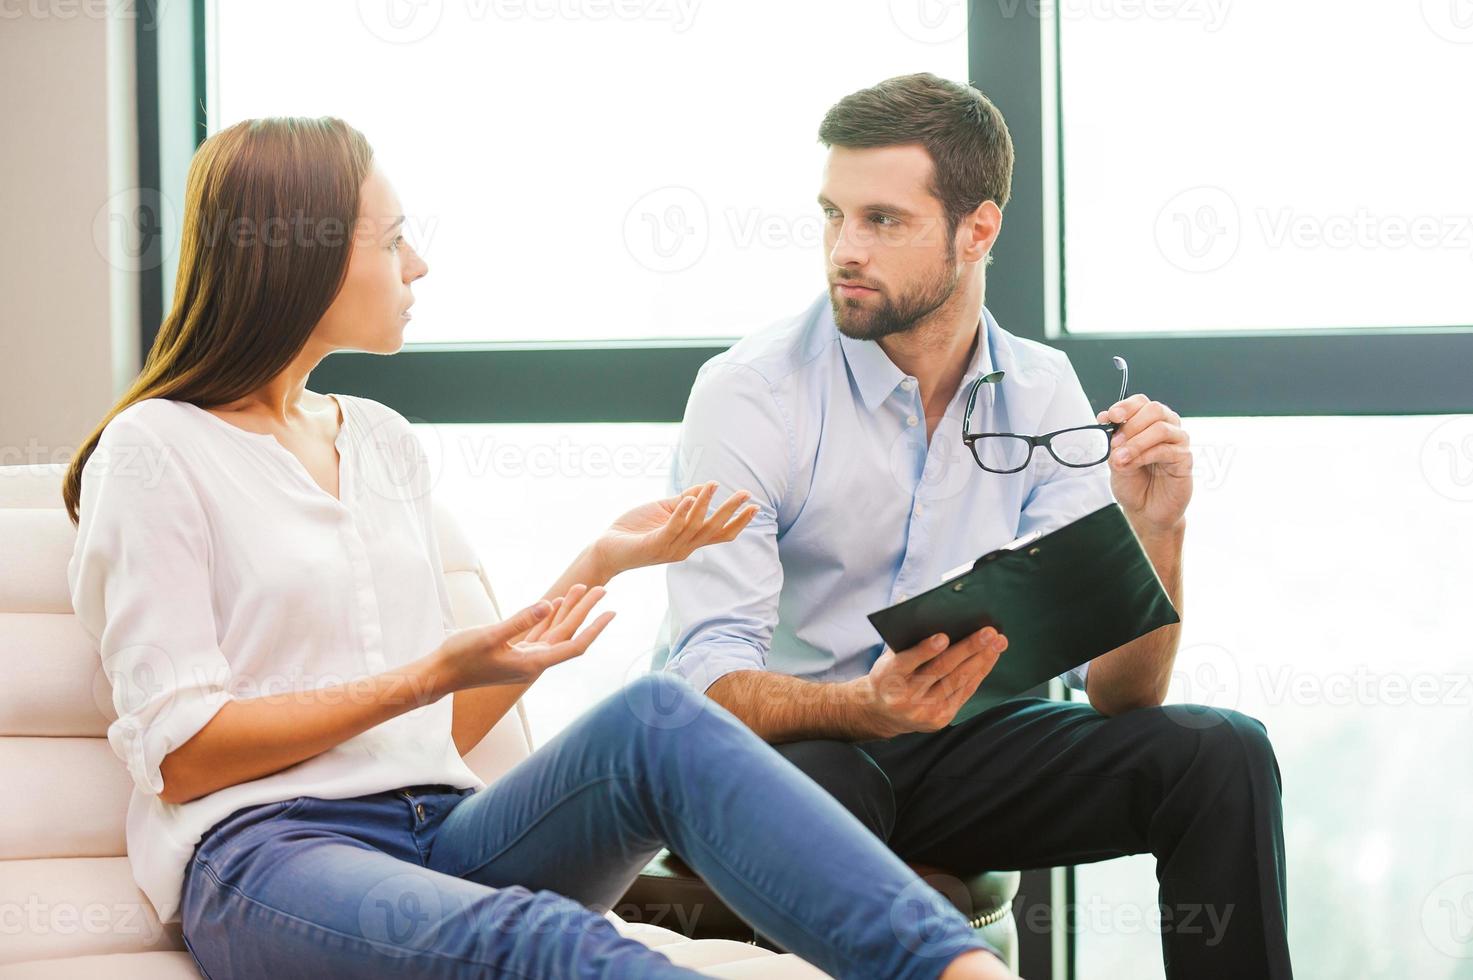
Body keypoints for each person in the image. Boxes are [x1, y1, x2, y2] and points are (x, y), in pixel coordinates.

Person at [63, 117, 1016, 979]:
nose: (419, 267)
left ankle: (951, 971)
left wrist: (595, 566)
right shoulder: (156, 450)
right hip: (274, 857)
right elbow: (181, 754)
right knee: (549, 945)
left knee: (656, 716)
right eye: (393, 242)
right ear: (295, 257)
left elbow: (439, 735)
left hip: (440, 826)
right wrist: (425, 675)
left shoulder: (383, 441)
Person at [656, 73, 1291, 979]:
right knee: (823, 780)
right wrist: (864, 707)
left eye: (882, 220)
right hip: (800, 753)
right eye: (833, 215)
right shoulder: (750, 395)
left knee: (1217, 752)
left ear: (977, 230)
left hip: (965, 756)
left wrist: (1156, 532)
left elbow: (1121, 697)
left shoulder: (1040, 390)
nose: (845, 248)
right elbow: (708, 681)